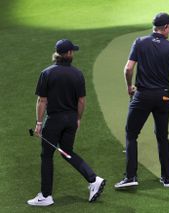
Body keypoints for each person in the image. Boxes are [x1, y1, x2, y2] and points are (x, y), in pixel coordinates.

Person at [114, 12, 169, 189]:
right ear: (165, 27)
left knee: (131, 134)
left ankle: (131, 177)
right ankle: (166, 178)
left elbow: (128, 69)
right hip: (163, 96)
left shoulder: (139, 42)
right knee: (162, 136)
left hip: (142, 95)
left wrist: (129, 86)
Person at [27, 39, 106, 206]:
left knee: (47, 155)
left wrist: (39, 123)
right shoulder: (77, 74)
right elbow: (82, 101)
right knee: (66, 151)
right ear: (69, 54)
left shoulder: (47, 73)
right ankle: (93, 179)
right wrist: (77, 118)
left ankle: (46, 196)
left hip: (54, 120)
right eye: (72, 51)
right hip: (70, 119)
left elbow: (42, 101)